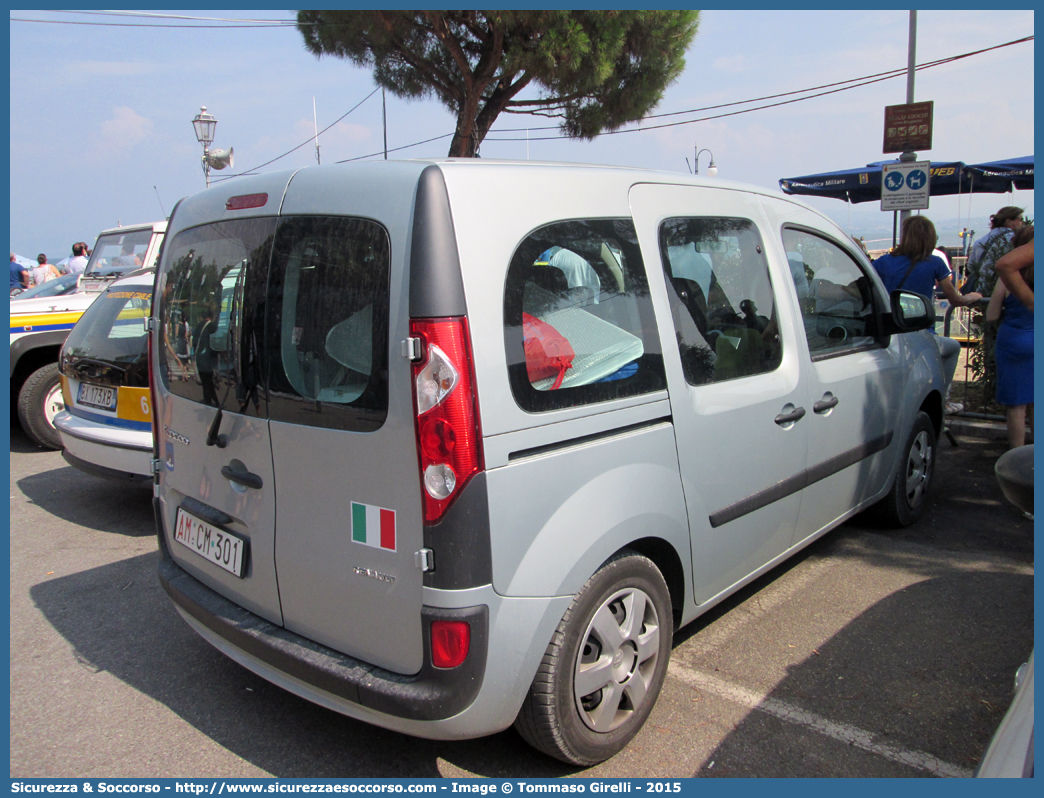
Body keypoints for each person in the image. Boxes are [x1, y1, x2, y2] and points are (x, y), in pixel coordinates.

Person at [872, 215, 982, 414]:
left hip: (889, 332)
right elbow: (955, 299)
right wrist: (972, 296)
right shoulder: (935, 263)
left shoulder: (884, 262)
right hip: (920, 332)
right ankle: (943, 400)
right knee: (953, 347)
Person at [987, 235, 1033, 449]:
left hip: (1013, 341)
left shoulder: (1008, 277)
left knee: (1016, 406)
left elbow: (992, 314)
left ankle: (1016, 457)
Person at [964, 206, 1024, 293]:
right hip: (1006, 288)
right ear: (1008, 221)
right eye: (1020, 219)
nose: (1022, 222)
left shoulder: (981, 240)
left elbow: (971, 266)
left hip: (982, 288)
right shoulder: (1013, 239)